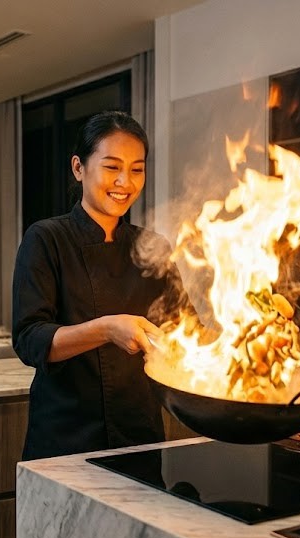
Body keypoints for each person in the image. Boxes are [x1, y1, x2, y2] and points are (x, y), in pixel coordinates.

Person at [12, 110, 182, 461]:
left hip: (140, 436)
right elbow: (30, 340)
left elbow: (185, 329)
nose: (125, 181)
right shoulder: (46, 239)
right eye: (111, 166)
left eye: (137, 169)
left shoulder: (153, 247)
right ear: (79, 168)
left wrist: (252, 329)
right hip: (65, 439)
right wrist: (106, 328)